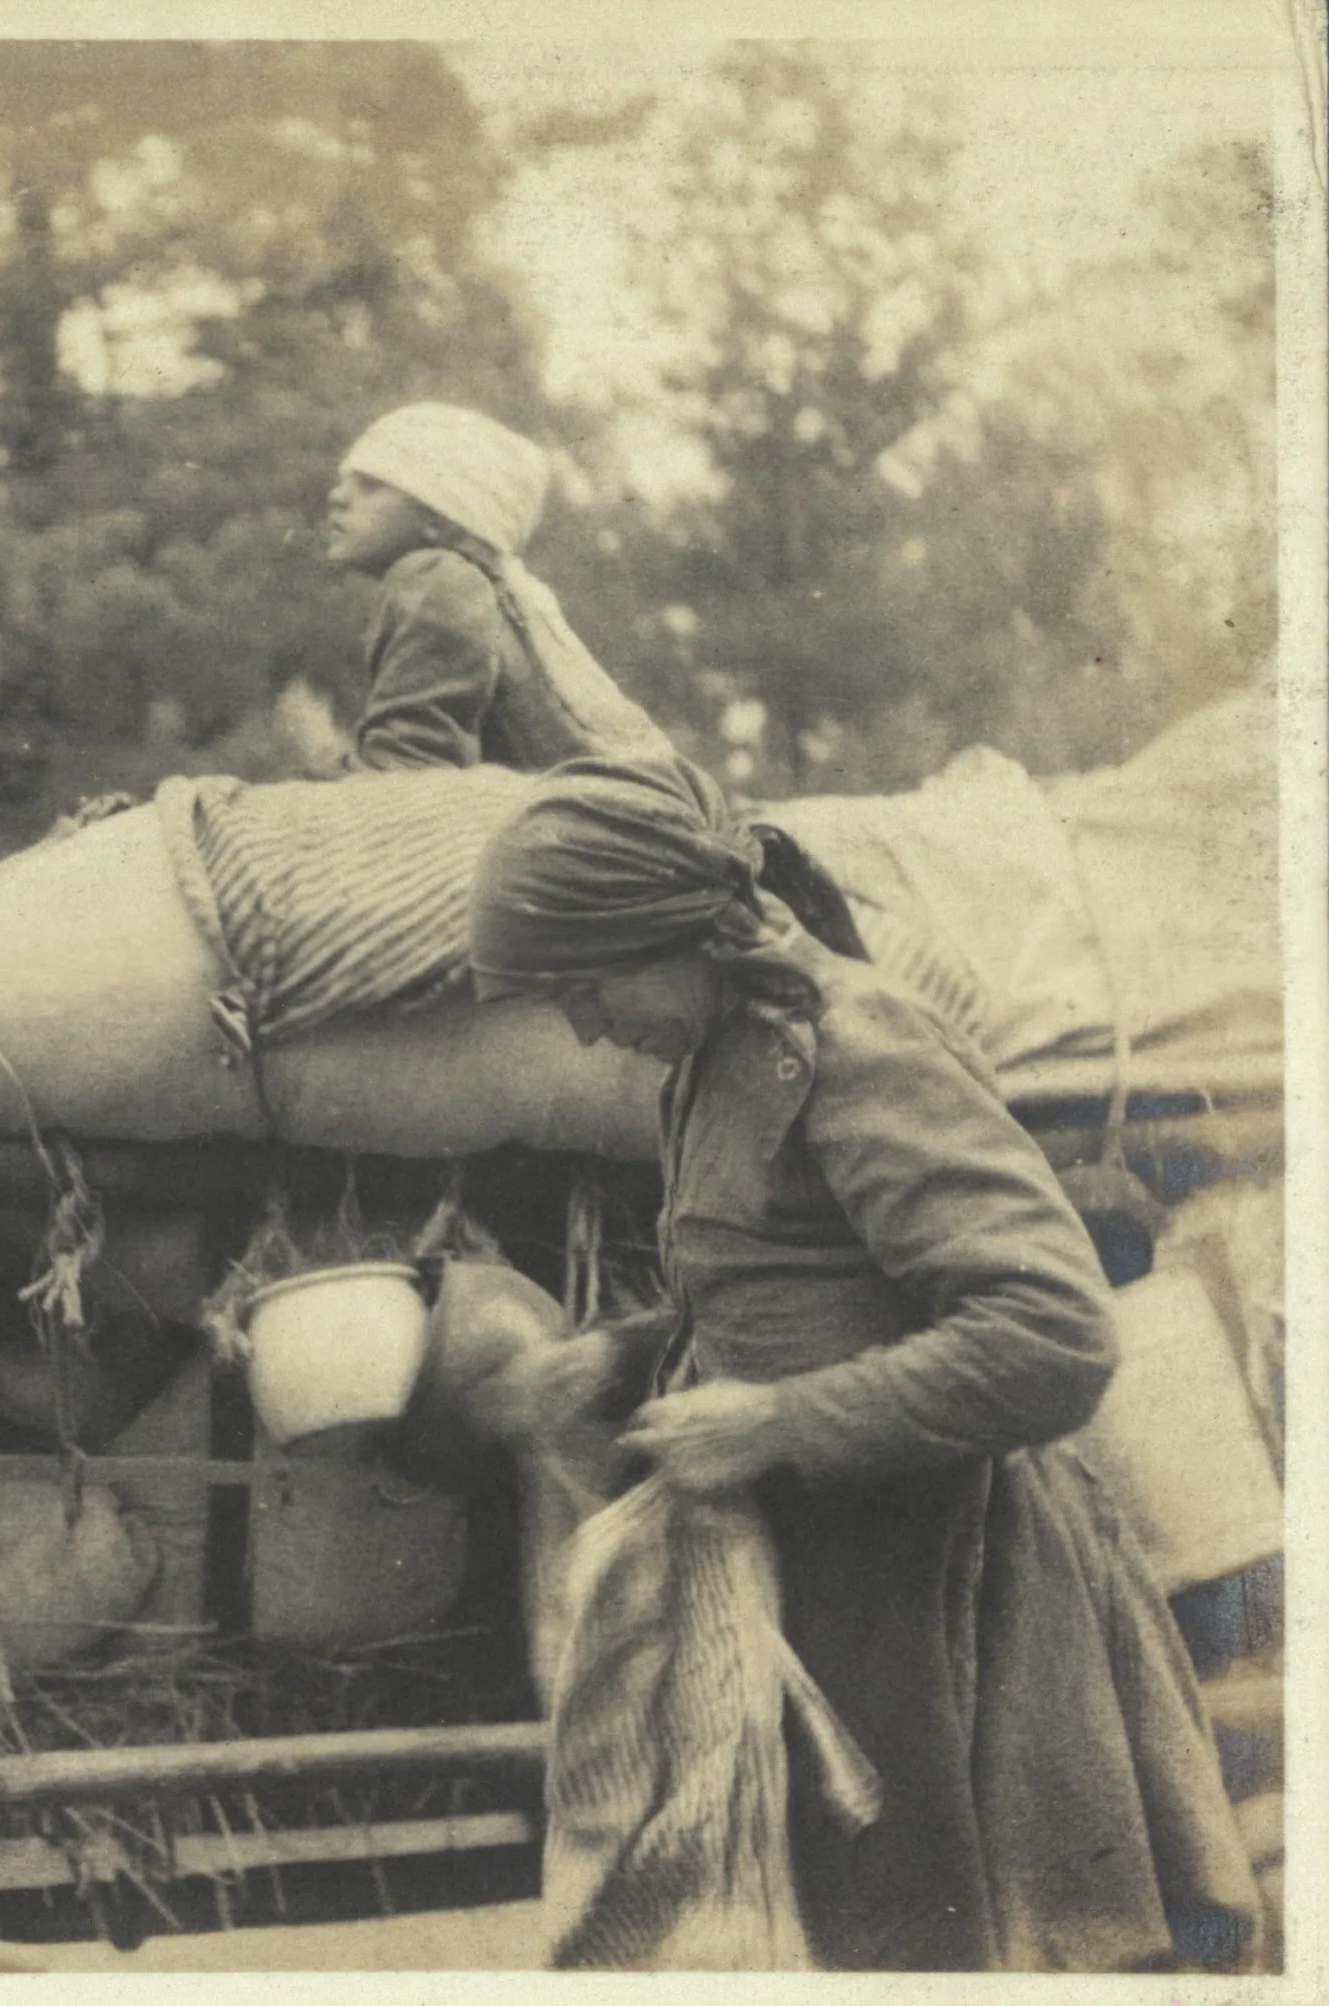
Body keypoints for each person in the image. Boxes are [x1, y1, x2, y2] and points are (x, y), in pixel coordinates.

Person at [442, 753, 1254, 1972]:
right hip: (810, 1581)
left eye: (586, 983)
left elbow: (1053, 1329)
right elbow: (794, 1287)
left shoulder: (854, 1046)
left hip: (937, 1597)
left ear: (679, 931)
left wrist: (777, 1423)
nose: (584, 1023)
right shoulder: (712, 1062)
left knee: (932, 1942)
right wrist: (616, 1361)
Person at [322, 403, 669, 772]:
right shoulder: (486, 591)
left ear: (439, 516)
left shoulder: (437, 579)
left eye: (371, 485)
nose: (337, 497)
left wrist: (318, 763)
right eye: (345, 481)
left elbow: (407, 770)